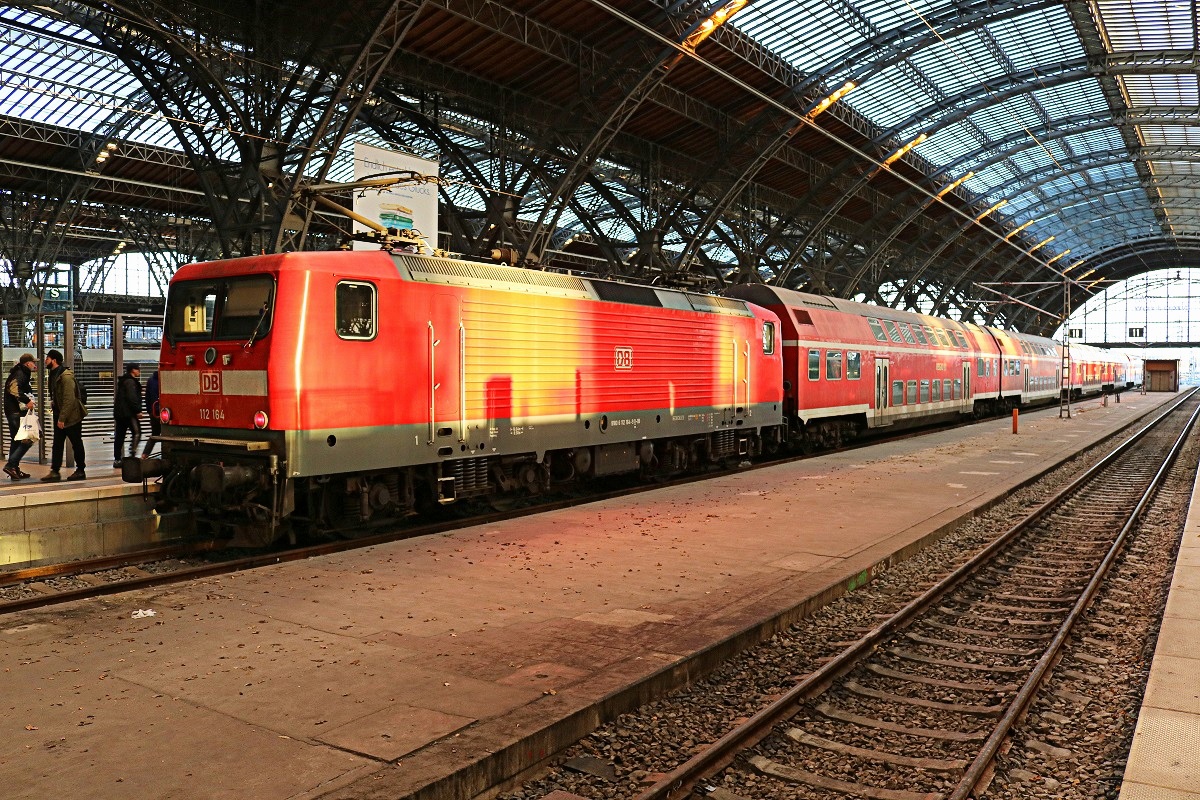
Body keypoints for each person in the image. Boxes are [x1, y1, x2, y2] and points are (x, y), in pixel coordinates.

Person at [41, 349, 87, 482]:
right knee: (58, 443)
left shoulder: (65, 377)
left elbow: (69, 399)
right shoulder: (54, 374)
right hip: (59, 414)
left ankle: (80, 470)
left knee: (76, 443)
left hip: (71, 416)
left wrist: (62, 418)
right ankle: (55, 471)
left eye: (47, 359)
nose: (45, 361)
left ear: (54, 360)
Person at [3, 353, 37, 481]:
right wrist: (26, 400)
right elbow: (13, 389)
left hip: (13, 411)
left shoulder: (20, 372)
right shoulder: (20, 373)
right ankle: (11, 465)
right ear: (27, 363)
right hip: (15, 412)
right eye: (33, 362)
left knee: (16, 440)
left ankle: (14, 469)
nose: (34, 365)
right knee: (27, 439)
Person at [113, 365, 143, 467]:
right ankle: (132, 455)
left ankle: (117, 460)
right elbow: (132, 397)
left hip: (120, 414)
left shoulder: (123, 381)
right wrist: (138, 410)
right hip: (129, 414)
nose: (139, 371)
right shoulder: (130, 382)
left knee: (119, 436)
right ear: (133, 370)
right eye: (137, 369)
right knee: (137, 432)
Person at [141, 369, 160, 458]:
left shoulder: (150, 380)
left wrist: (150, 411)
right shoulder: (165, 379)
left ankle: (145, 454)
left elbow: (147, 398)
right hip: (164, 412)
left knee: (155, 434)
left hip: (154, 412)